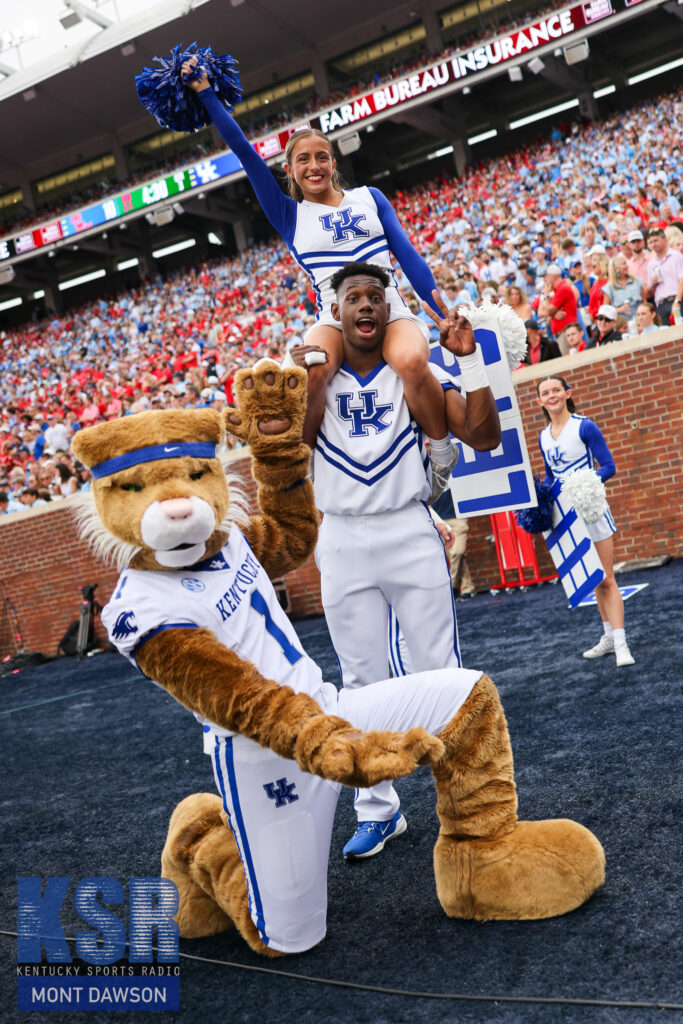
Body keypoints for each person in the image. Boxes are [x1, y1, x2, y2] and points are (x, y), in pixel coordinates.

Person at [290, 262, 500, 859]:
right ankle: (378, 810)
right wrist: (299, 378)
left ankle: (464, 798)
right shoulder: (316, 379)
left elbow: (484, 437)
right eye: (352, 297)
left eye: (374, 297)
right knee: (359, 680)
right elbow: (290, 444)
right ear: (336, 312)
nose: (363, 305)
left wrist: (474, 359)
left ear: (388, 311)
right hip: (343, 536)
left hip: (408, 526)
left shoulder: (417, 370)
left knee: (441, 669)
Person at [181, 56, 457, 491]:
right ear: (289, 170)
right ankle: (303, 469)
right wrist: (206, 94)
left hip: (390, 307)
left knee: (412, 360)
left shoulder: (370, 197)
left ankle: (440, 450)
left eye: (322, 157)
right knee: (308, 375)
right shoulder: (288, 215)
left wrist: (440, 312)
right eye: (303, 160)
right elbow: (243, 152)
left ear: (333, 162)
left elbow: (408, 257)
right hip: (333, 315)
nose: (314, 166)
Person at [536, 374, 634, 668]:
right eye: (546, 392)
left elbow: (609, 467)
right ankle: (607, 637)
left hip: (592, 510)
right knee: (593, 579)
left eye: (556, 390)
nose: (552, 395)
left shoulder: (584, 426)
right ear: (539, 401)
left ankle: (621, 644)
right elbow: (551, 476)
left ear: (567, 393)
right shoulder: (543, 436)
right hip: (567, 517)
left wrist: (584, 484)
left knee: (606, 579)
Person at [645, 227, 683, 326]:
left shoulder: (676, 256)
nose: (653, 244)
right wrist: (653, 283)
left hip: (676, 299)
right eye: (651, 242)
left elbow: (681, 279)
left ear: (664, 240)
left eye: (656, 240)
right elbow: (649, 292)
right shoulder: (651, 264)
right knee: (665, 335)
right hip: (661, 304)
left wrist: (677, 301)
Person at [537, 264, 578, 339]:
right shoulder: (557, 290)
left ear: (552, 277)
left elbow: (549, 311)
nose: (544, 280)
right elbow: (541, 312)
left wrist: (545, 294)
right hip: (563, 333)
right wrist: (554, 314)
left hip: (567, 333)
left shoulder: (562, 288)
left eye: (546, 277)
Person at [601, 255, 642, 320]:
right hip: (621, 324)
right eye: (624, 264)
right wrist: (619, 309)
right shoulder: (609, 287)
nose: (627, 266)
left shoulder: (637, 281)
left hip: (639, 321)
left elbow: (645, 302)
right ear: (616, 268)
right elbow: (605, 310)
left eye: (626, 263)